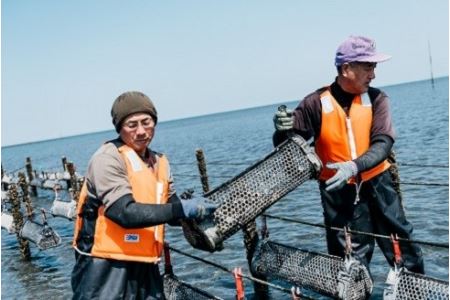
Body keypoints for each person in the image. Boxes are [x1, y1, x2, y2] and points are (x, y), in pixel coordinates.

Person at [273, 36, 424, 274]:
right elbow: (288, 149)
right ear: (346, 68)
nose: (373, 74)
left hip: (379, 186)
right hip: (338, 194)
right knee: (348, 263)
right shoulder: (314, 104)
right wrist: (282, 131)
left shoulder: (378, 99)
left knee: (403, 249)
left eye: (374, 67)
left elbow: (383, 143)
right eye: (368, 67)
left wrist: (353, 167)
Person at [71, 91, 217, 299]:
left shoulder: (160, 162)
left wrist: (196, 218)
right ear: (119, 127)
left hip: (145, 262)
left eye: (146, 122)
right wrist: (181, 208)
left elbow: (170, 209)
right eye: (132, 125)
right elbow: (123, 212)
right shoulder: (107, 159)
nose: (141, 131)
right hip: (104, 266)